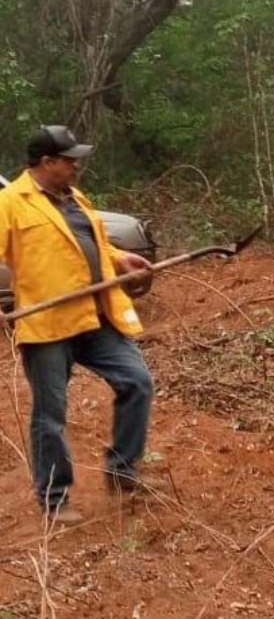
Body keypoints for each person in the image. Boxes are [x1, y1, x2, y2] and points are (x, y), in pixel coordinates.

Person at [0, 125, 156, 524]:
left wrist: (120, 258)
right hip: (48, 322)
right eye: (69, 160)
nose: (77, 166)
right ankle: (54, 497)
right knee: (50, 414)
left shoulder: (76, 199)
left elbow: (94, 242)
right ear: (47, 162)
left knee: (136, 381)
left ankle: (122, 469)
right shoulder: (11, 203)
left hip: (96, 315)